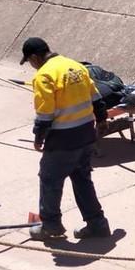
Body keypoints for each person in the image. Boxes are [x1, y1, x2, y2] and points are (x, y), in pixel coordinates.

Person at [21, 37, 111, 241]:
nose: (31, 66)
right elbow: (95, 96)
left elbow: (45, 113)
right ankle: (97, 224)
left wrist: (38, 137)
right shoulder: (75, 66)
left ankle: (50, 225)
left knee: (50, 179)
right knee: (82, 179)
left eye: (29, 61)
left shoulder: (44, 76)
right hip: (86, 135)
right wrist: (102, 119)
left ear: (34, 57)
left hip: (63, 139)